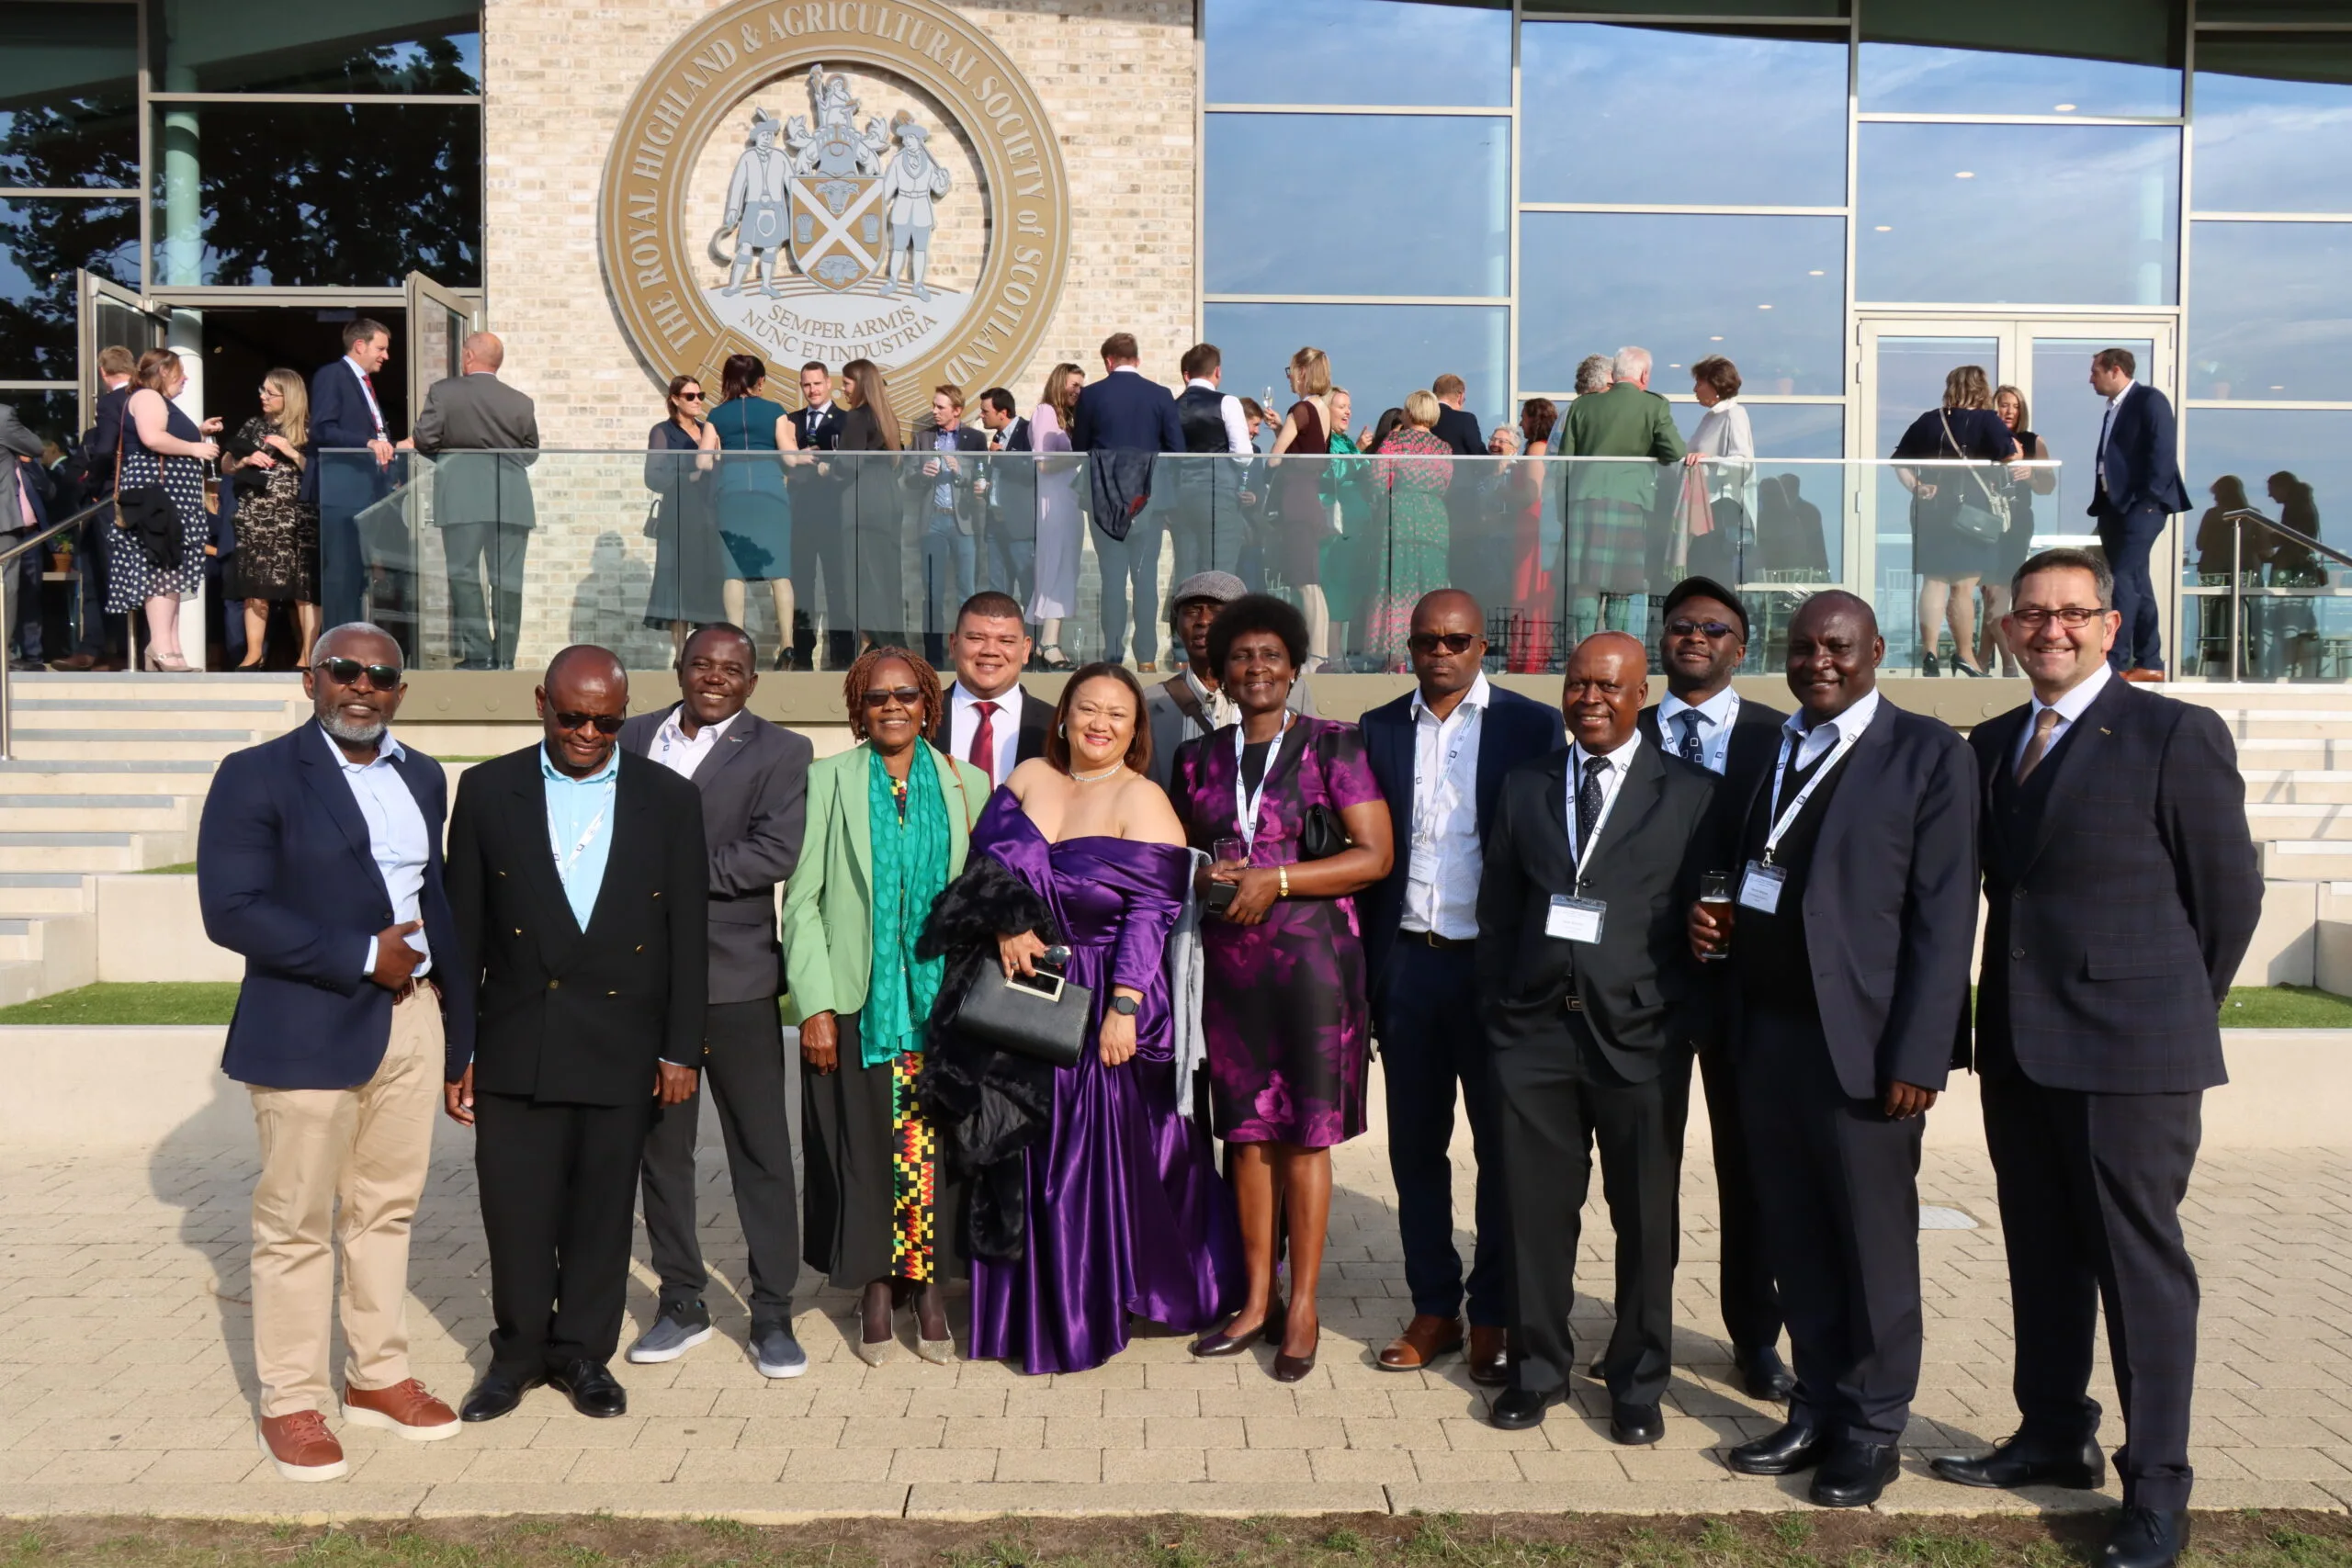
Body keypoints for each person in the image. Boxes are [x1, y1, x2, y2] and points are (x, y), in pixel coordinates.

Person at [1933, 549, 2259, 1568]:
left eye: (2072, 614)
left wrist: (2168, 1009)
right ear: (2004, 630)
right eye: (2030, 616)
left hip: (2135, 1053)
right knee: (2040, 1249)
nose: (2050, 631)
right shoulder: (1988, 746)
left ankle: (2156, 1485)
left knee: (2138, 1267)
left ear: (2110, 627)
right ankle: (2051, 1433)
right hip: (2021, 1050)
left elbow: (2227, 899)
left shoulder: (2173, 734)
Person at [1690, 592, 1977, 1509]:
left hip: (1863, 1052)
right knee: (1796, 1235)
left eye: (1838, 647)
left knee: (1871, 1245)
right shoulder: (1775, 744)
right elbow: (1753, 867)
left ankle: (1872, 1427)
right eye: (1805, 647)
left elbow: (1943, 918)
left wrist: (1919, 1056)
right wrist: (1718, 921)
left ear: (1874, 652)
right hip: (1767, 1037)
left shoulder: (1929, 754)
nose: (1819, 661)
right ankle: (1814, 1404)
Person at [197, 623, 473, 1479]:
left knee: (386, 1209)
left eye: (382, 676)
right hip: (307, 1023)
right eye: (345, 671)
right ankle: (291, 1400)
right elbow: (231, 908)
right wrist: (360, 954)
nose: (364, 686)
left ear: (400, 690)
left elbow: (438, 900)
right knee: (296, 1222)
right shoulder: (257, 774)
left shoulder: (424, 776)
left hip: (412, 1019)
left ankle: (378, 1375)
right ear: (310, 678)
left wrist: (461, 1033)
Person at [444, 646, 709, 1423]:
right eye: (573, 716)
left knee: (601, 1212)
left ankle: (581, 1354)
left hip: (622, 1042)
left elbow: (685, 935)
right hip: (517, 1041)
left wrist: (680, 1047)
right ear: (541, 703)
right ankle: (517, 1354)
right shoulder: (488, 790)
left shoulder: (669, 798)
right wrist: (460, 1051)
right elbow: (464, 937)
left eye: (607, 719)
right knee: (516, 1211)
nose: (588, 732)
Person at [954, 663, 1243, 1372]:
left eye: (1118, 714)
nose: (1100, 724)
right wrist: (1003, 924)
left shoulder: (1142, 799)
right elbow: (979, 870)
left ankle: (1088, 1305)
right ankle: (1023, 1306)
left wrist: (1123, 1008)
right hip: (1017, 988)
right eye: (1088, 708)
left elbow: (1152, 915)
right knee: (1019, 1148)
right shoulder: (1025, 776)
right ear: (1064, 715)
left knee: (1085, 1160)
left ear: (1135, 729)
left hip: (1099, 991)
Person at [1476, 630, 1718, 1442]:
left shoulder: (1689, 792)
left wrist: (1671, 1015)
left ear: (1641, 692)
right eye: (1578, 684)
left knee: (1645, 1219)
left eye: (1609, 686)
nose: (1590, 699)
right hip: (1536, 1032)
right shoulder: (1524, 785)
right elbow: (1500, 911)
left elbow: (1701, 924)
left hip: (1640, 1039)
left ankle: (1638, 1377)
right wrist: (1506, 1014)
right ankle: (1536, 1367)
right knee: (1533, 1213)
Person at [1171, 593, 1394, 1382]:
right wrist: (1208, 874)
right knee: (1246, 1134)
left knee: (1304, 1133)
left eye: (1270, 654)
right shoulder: (1198, 759)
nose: (1255, 667)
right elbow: (1180, 859)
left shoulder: (1336, 745)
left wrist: (1282, 876)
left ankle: (1303, 1302)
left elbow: (1373, 856)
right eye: (1240, 656)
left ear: (1294, 667)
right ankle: (1255, 1296)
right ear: (1220, 673)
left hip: (1315, 968)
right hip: (1229, 970)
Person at [1356, 590, 1563, 1383]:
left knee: (1504, 1151)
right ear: (1408, 647)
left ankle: (1498, 1311)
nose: (1440, 651)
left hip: (1497, 970)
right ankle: (1434, 1305)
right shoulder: (1375, 729)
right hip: (1409, 965)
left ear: (1484, 646)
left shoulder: (1531, 726)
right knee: (1415, 1149)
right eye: (1425, 640)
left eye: (1456, 639)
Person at [783, 649, 990, 1363]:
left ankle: (926, 1283)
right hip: (857, 1001)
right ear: (858, 708)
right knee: (868, 1145)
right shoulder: (829, 780)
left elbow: (981, 894)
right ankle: (876, 1284)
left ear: (929, 703)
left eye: (906, 694)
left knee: (928, 1146)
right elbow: (802, 902)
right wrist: (813, 1003)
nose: (892, 705)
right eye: (877, 697)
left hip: (942, 1004)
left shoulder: (969, 783)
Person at [620, 624, 816, 1381]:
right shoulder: (632, 735)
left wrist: (664, 872)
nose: (713, 677)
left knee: (760, 1151)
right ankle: (681, 1301)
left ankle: (773, 1312)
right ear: (679, 667)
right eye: (701, 663)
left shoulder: (780, 751)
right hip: (645, 982)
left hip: (736, 981)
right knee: (662, 1150)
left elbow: (773, 851)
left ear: (751, 680)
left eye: (730, 668)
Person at [1634, 576, 1792, 1403]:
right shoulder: (1623, 727)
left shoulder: (1781, 735)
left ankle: (1755, 1336)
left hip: (1747, 987)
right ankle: (1642, 1334)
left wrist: (1743, 928)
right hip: (1643, 982)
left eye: (1715, 627)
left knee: (1752, 1168)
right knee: (1645, 1170)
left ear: (1741, 645)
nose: (1695, 636)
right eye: (1682, 624)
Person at [409, 333, 539, 671]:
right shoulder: (521, 402)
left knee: (464, 576)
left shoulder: (444, 392)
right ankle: (505, 657)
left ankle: (480, 655)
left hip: (461, 496)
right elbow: (531, 453)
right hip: (511, 499)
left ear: (468, 356)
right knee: (508, 582)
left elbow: (425, 438)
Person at [1894, 364, 2019, 678]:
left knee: (1934, 581)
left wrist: (1917, 487)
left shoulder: (1928, 420)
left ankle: (1930, 654)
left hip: (1931, 507)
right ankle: (1965, 654)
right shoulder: (1987, 420)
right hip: (1971, 510)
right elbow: (2010, 455)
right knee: (1963, 587)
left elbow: (1898, 461)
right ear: (1982, 388)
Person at [1143, 570, 1317, 792]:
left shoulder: (1291, 691)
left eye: (1217, 611)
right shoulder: (1152, 703)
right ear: (1177, 626)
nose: (1203, 620)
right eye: (1192, 612)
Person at [1069, 332, 1182, 668]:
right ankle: (1146, 658)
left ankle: (1113, 655)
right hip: (1148, 499)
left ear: (1108, 361)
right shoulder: (1160, 395)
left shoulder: (1091, 395)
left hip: (1103, 498)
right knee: (1146, 579)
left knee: (1112, 579)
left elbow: (1080, 448)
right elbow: (1177, 451)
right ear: (1137, 358)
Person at [1558, 347, 1686, 644]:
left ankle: (1583, 651)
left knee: (1585, 584)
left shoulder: (1582, 407)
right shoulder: (1654, 406)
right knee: (1621, 587)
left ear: (1615, 374)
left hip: (1583, 501)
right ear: (1644, 375)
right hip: (1630, 502)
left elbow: (1563, 463)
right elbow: (1675, 452)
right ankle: (1616, 652)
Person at [107, 348, 220, 671]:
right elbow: (152, 437)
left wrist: (198, 431)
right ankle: (160, 646)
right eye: (179, 372)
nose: (185, 378)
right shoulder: (147, 397)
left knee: (171, 569)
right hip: (158, 497)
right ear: (163, 371)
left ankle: (170, 646)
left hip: (171, 497)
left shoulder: (159, 402)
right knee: (160, 568)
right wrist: (195, 447)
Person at [2086, 348, 2189, 682]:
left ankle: (2115, 662)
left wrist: (2149, 499)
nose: (2091, 378)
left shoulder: (2149, 400)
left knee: (2123, 578)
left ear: (2115, 371)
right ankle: (2150, 661)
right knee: (2137, 583)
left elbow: (2162, 450)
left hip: (2141, 507)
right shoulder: (2111, 409)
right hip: (2114, 508)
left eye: (2095, 372)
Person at [220, 369, 322, 670]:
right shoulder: (254, 425)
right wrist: (244, 461)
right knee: (255, 586)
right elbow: (226, 464)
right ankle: (253, 654)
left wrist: (290, 451)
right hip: (257, 517)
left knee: (303, 590)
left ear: (288, 396)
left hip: (297, 520)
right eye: (261, 390)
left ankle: (308, 656)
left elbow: (320, 472)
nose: (262, 397)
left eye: (270, 392)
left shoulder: (310, 429)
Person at [707, 354, 801, 669]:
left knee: (734, 573)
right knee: (779, 571)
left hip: (732, 494)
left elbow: (702, 461)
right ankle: (788, 645)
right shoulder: (775, 411)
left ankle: (736, 641)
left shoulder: (717, 415)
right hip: (770, 494)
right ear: (759, 381)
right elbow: (790, 459)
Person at [308, 319, 398, 638]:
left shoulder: (363, 383)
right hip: (340, 493)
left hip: (363, 496)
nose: (386, 356)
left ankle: (353, 643)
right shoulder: (333, 375)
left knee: (356, 577)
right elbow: (322, 429)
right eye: (381, 348)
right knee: (341, 576)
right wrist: (368, 443)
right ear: (360, 345)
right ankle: (336, 649)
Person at [49, 344, 135, 671]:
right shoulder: (92, 435)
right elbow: (76, 470)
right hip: (95, 514)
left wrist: (97, 485)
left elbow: (100, 459)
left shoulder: (121, 404)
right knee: (95, 581)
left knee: (123, 580)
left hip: (118, 508)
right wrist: (87, 485)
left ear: (102, 372)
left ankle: (123, 650)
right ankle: (92, 649)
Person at [1363, 392, 1455, 668]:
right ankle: (1431, 649)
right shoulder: (1444, 448)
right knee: (1430, 585)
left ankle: (1397, 656)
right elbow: (1445, 484)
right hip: (1434, 517)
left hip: (1399, 513)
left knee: (1396, 582)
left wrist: (1383, 500)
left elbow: (1376, 481)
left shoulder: (1394, 441)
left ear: (1409, 411)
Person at [642, 374, 727, 658]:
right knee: (676, 585)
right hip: (678, 515)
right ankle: (680, 656)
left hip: (709, 516)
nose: (697, 402)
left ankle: (703, 654)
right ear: (675, 400)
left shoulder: (709, 430)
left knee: (708, 584)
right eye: (690, 396)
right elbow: (653, 476)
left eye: (700, 396)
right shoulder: (663, 431)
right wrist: (689, 475)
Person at [929, 591, 1047, 786]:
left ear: (1025, 650)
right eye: (976, 638)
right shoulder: (919, 718)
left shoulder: (1054, 727)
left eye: (1006, 641)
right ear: (953, 644)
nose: (990, 651)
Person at [907, 384, 989, 664]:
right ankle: (933, 659)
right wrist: (923, 475)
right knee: (933, 592)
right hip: (933, 522)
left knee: (967, 591)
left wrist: (959, 472)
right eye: (933, 405)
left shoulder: (975, 439)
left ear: (957, 410)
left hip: (963, 522)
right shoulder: (923, 439)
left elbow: (981, 477)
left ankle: (968, 654)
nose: (934, 411)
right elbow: (908, 480)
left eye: (940, 407)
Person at [1168, 343, 1253, 607]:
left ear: (1187, 374)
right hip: (1218, 496)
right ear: (1217, 371)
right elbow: (1244, 456)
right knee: (1219, 575)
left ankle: (1182, 644)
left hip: (1180, 499)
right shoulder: (1226, 402)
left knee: (1186, 572)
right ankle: (1216, 640)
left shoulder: (1171, 406)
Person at [1980, 385, 2056, 676]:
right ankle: (1980, 661)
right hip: (1983, 525)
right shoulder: (1982, 440)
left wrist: (2030, 472)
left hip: (2015, 525)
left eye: (2014, 406)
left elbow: (2048, 487)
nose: (2008, 411)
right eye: (2002, 404)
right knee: (1990, 597)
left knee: (1997, 594)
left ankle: (2008, 665)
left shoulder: (2032, 441)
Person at [1269, 347, 1337, 665]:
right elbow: (1305, 449)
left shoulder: (1300, 409)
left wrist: (1277, 438)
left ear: (1303, 372)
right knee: (1313, 583)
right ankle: (1319, 654)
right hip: (1311, 502)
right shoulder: (1322, 409)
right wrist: (1278, 429)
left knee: (1304, 582)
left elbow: (1274, 458)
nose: (1290, 378)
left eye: (1291, 371)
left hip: (1295, 502)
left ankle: (1315, 655)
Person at [788, 360, 854, 671]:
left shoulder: (846, 420)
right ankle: (802, 653)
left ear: (829, 384)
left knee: (837, 583)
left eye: (817, 383)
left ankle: (842, 653)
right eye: (806, 385)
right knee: (801, 584)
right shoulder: (791, 420)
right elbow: (782, 462)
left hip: (833, 513)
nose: (812, 390)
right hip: (799, 513)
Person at [836, 357, 906, 653]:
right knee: (886, 575)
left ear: (860, 383)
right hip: (887, 500)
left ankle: (873, 643)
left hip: (862, 503)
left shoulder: (857, 418)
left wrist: (827, 467)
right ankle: (886, 641)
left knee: (862, 576)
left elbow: (846, 465)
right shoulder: (888, 418)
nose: (843, 390)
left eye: (846, 383)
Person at [1027, 362, 1086, 670]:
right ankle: (1048, 642)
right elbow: (1043, 463)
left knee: (1066, 567)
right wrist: (1079, 455)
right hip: (1053, 502)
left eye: (1081, 386)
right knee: (1056, 567)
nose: (1078, 390)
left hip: (1070, 501)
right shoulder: (1045, 413)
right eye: (1073, 384)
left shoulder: (1070, 418)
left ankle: (1050, 640)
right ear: (1060, 382)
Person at [1682, 356, 1755, 589]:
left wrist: (1709, 461)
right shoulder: (1710, 417)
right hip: (1704, 505)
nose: (1694, 389)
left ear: (1714, 384)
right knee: (1700, 572)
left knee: (1715, 575)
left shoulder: (1735, 414)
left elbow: (1744, 461)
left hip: (1720, 507)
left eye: (1699, 382)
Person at [1502, 398, 1560, 673]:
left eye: (1523, 416)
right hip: (1528, 524)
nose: (1520, 422)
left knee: (1528, 590)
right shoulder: (1538, 449)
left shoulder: (1537, 449)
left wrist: (1504, 494)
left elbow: (1533, 492)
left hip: (1533, 524)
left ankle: (1530, 658)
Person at [975, 388, 1035, 618]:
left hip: (1020, 527)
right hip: (995, 524)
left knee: (1028, 588)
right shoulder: (998, 437)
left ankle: (1033, 647)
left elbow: (1031, 471)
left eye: (985, 411)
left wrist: (1001, 458)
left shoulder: (1028, 431)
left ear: (1003, 412)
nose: (981, 415)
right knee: (997, 593)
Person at [1430, 372, 1482, 457]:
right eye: (1464, 399)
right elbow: (1478, 453)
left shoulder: (1417, 418)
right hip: (1457, 469)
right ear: (1460, 396)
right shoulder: (1466, 420)